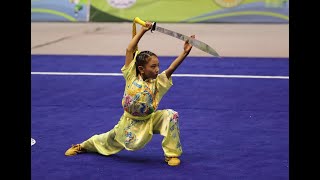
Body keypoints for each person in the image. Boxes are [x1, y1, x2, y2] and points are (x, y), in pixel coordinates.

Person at [65, 21, 195, 166]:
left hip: (150, 120)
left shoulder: (158, 83)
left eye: (158, 65)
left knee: (171, 115)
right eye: (153, 66)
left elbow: (171, 69)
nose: (157, 69)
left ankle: (171, 155)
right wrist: (143, 31)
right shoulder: (131, 76)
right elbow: (129, 50)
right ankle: (82, 146)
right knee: (108, 140)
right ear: (141, 68)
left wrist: (184, 53)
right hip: (129, 122)